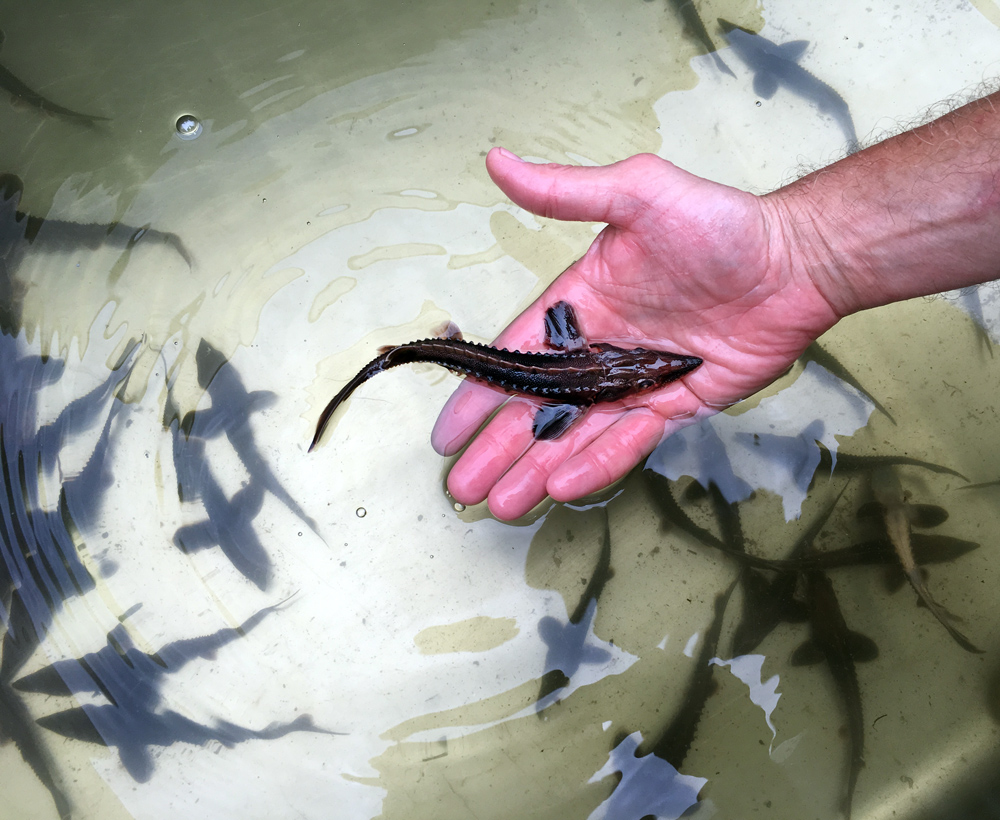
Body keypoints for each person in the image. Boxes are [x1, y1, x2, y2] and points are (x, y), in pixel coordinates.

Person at [431, 89, 1000, 521]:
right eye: (650, 370)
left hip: (547, 369)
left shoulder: (582, 372)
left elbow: (574, 351)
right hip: (540, 369)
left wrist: (798, 252)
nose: (659, 368)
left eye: (649, 374)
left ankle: (428, 351)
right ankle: (432, 351)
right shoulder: (576, 385)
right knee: (482, 376)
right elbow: (570, 371)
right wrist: (799, 249)